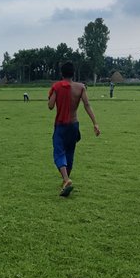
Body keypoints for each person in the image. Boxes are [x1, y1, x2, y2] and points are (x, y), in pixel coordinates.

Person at [48, 62, 100, 197]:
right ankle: (66, 182)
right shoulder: (81, 87)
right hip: (73, 125)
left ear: (61, 73)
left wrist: (53, 93)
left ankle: (66, 179)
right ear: (73, 73)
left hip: (60, 125)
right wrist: (95, 123)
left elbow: (50, 106)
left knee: (59, 153)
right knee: (69, 153)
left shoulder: (57, 87)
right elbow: (87, 105)